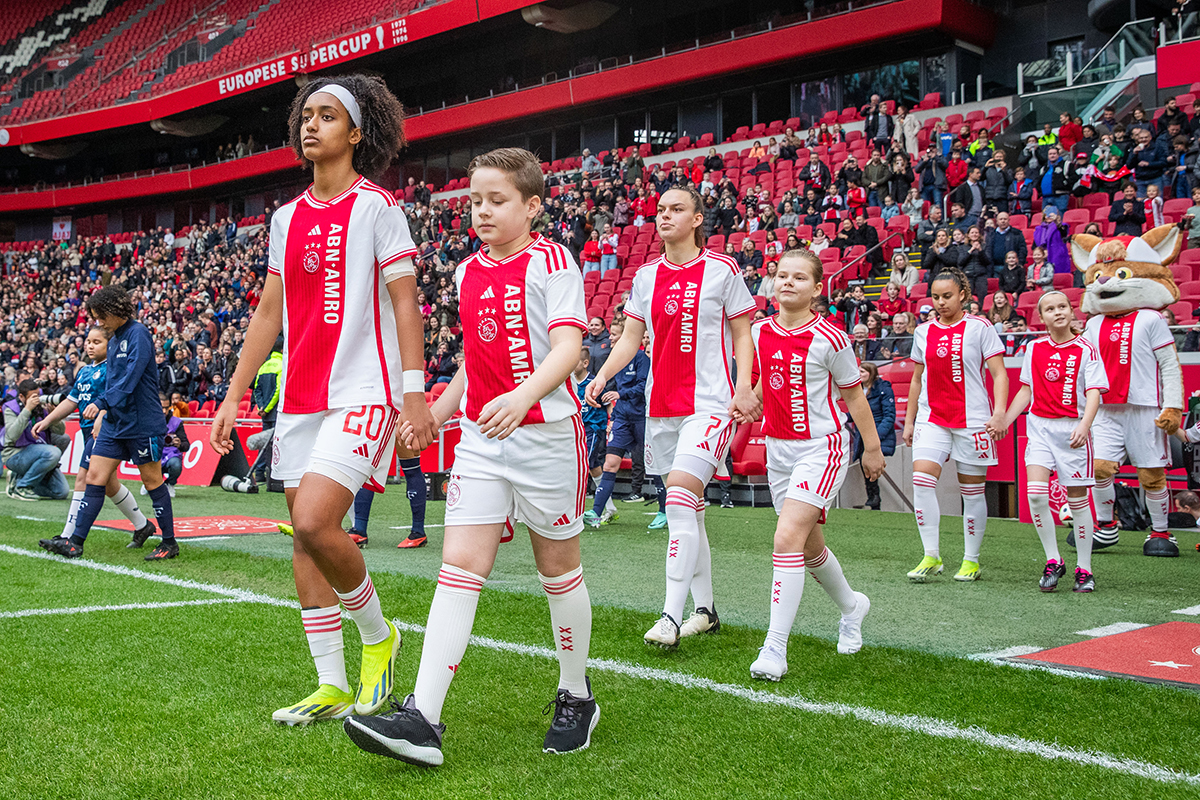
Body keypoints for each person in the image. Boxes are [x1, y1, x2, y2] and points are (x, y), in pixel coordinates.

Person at [346, 147, 597, 764]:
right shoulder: (467, 273)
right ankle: (422, 719)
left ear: (532, 206)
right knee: (459, 567)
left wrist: (523, 397)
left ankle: (575, 694)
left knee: (557, 569)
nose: (481, 211)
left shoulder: (553, 261)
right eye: (475, 200)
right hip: (484, 442)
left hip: (547, 435)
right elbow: (472, 366)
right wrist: (436, 412)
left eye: (497, 200)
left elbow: (567, 348)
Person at [209, 76, 437, 728]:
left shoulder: (377, 206)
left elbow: (403, 301)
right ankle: (331, 685)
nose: (311, 125)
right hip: (303, 397)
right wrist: (233, 395)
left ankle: (379, 637)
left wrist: (415, 395)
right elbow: (269, 311)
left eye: (327, 116)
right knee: (303, 542)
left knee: (314, 521)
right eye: (306, 115)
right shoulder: (286, 217)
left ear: (356, 133)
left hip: (365, 389)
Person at [587, 185, 760, 649]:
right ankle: (705, 611)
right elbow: (629, 341)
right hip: (660, 406)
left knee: (679, 500)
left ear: (697, 219)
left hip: (710, 404)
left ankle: (669, 615)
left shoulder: (722, 269)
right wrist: (602, 375)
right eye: (660, 209)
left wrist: (744, 388)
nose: (665, 216)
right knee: (691, 513)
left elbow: (744, 335)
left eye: (676, 209)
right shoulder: (645, 276)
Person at [745, 249, 883, 682]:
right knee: (807, 547)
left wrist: (872, 448)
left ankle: (774, 649)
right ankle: (851, 605)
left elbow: (853, 396)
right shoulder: (758, 332)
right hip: (778, 449)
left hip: (822, 448)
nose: (788, 282)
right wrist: (747, 404)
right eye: (782, 275)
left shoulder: (832, 338)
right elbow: (767, 387)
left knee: (785, 538)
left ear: (817, 288)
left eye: (799, 277)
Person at [39, 285, 177, 562]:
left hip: (142, 423)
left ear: (116, 311)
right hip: (116, 422)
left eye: (101, 316)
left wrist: (102, 404)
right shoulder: (113, 340)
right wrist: (105, 408)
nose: (99, 322)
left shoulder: (138, 334)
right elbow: (113, 382)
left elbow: (131, 377)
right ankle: (75, 542)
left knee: (152, 481)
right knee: (94, 477)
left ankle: (169, 543)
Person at [993, 290, 1105, 592]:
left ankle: (1085, 568)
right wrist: (1005, 418)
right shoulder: (1034, 347)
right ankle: (1054, 560)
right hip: (1040, 428)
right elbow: (1025, 391)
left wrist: (1085, 424)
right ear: (1040, 317)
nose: (1058, 312)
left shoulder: (1086, 348)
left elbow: (1094, 391)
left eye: (1063, 306)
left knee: (1078, 501)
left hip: (1072, 431)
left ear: (1071, 311)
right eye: (1050, 309)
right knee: (1036, 495)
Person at [902, 267, 1009, 583]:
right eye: (935, 297)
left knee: (973, 492)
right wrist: (909, 422)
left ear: (963, 294)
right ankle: (931, 555)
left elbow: (999, 373)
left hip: (973, 420)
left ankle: (971, 560)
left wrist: (1000, 412)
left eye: (947, 296)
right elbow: (917, 380)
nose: (940, 302)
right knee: (921, 481)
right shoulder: (923, 332)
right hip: (932, 418)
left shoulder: (980, 327)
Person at [36, 327, 155, 539]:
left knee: (83, 477)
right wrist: (47, 420)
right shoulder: (84, 371)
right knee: (109, 485)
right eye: (88, 341)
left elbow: (118, 397)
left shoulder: (113, 369)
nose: (90, 345)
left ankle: (67, 536)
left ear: (109, 344)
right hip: (86, 430)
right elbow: (72, 401)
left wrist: (101, 415)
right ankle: (143, 526)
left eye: (96, 342)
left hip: (104, 431)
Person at [587, 325, 664, 529]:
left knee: (653, 464)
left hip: (642, 417)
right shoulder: (615, 361)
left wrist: (621, 395)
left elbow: (644, 386)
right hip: (622, 417)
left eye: (614, 335)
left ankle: (664, 511)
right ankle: (596, 511)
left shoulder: (641, 359)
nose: (610, 339)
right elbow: (612, 386)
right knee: (610, 463)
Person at [3, 379, 69, 502]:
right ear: (22, 396)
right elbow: (12, 436)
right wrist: (27, 410)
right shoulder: (10, 408)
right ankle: (22, 486)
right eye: (33, 397)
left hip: (37, 451)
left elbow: (60, 432)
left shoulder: (41, 407)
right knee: (53, 452)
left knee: (61, 492)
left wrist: (53, 416)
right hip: (15, 454)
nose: (37, 399)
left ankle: (21, 478)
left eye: (38, 395)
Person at [575, 348, 616, 525]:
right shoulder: (569, 382)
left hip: (593, 429)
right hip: (577, 429)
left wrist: (611, 422)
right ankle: (610, 507)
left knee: (584, 464)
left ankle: (583, 512)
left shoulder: (594, 382)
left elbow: (608, 404)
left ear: (585, 364)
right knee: (593, 467)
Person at [851, 361, 895, 511]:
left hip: (877, 434)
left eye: (862, 372)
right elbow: (855, 413)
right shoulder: (858, 390)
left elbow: (889, 416)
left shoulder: (883, 389)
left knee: (871, 463)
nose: (859, 375)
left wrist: (875, 437)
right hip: (861, 435)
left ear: (871, 373)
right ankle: (873, 498)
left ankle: (874, 498)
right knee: (865, 464)